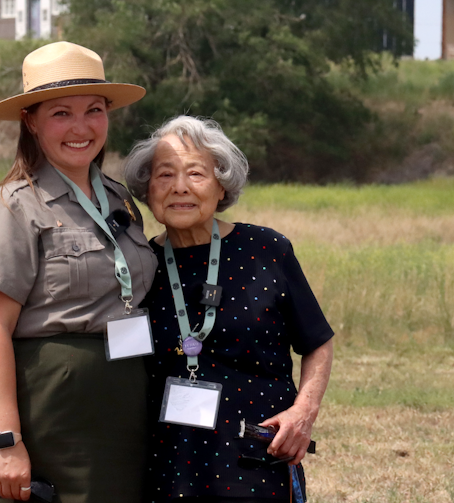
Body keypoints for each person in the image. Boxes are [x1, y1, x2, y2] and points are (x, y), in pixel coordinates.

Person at [0, 41, 157, 502]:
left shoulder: (119, 200)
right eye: (61, 113)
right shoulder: (12, 207)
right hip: (50, 413)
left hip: (123, 411)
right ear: (30, 121)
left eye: (94, 110)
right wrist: (7, 443)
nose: (81, 127)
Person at [123, 115, 335, 503]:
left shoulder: (266, 250)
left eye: (196, 174)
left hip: (255, 458)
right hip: (166, 465)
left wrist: (303, 412)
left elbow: (318, 341)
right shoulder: (137, 264)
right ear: (147, 189)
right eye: (164, 175)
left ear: (222, 185)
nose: (179, 187)